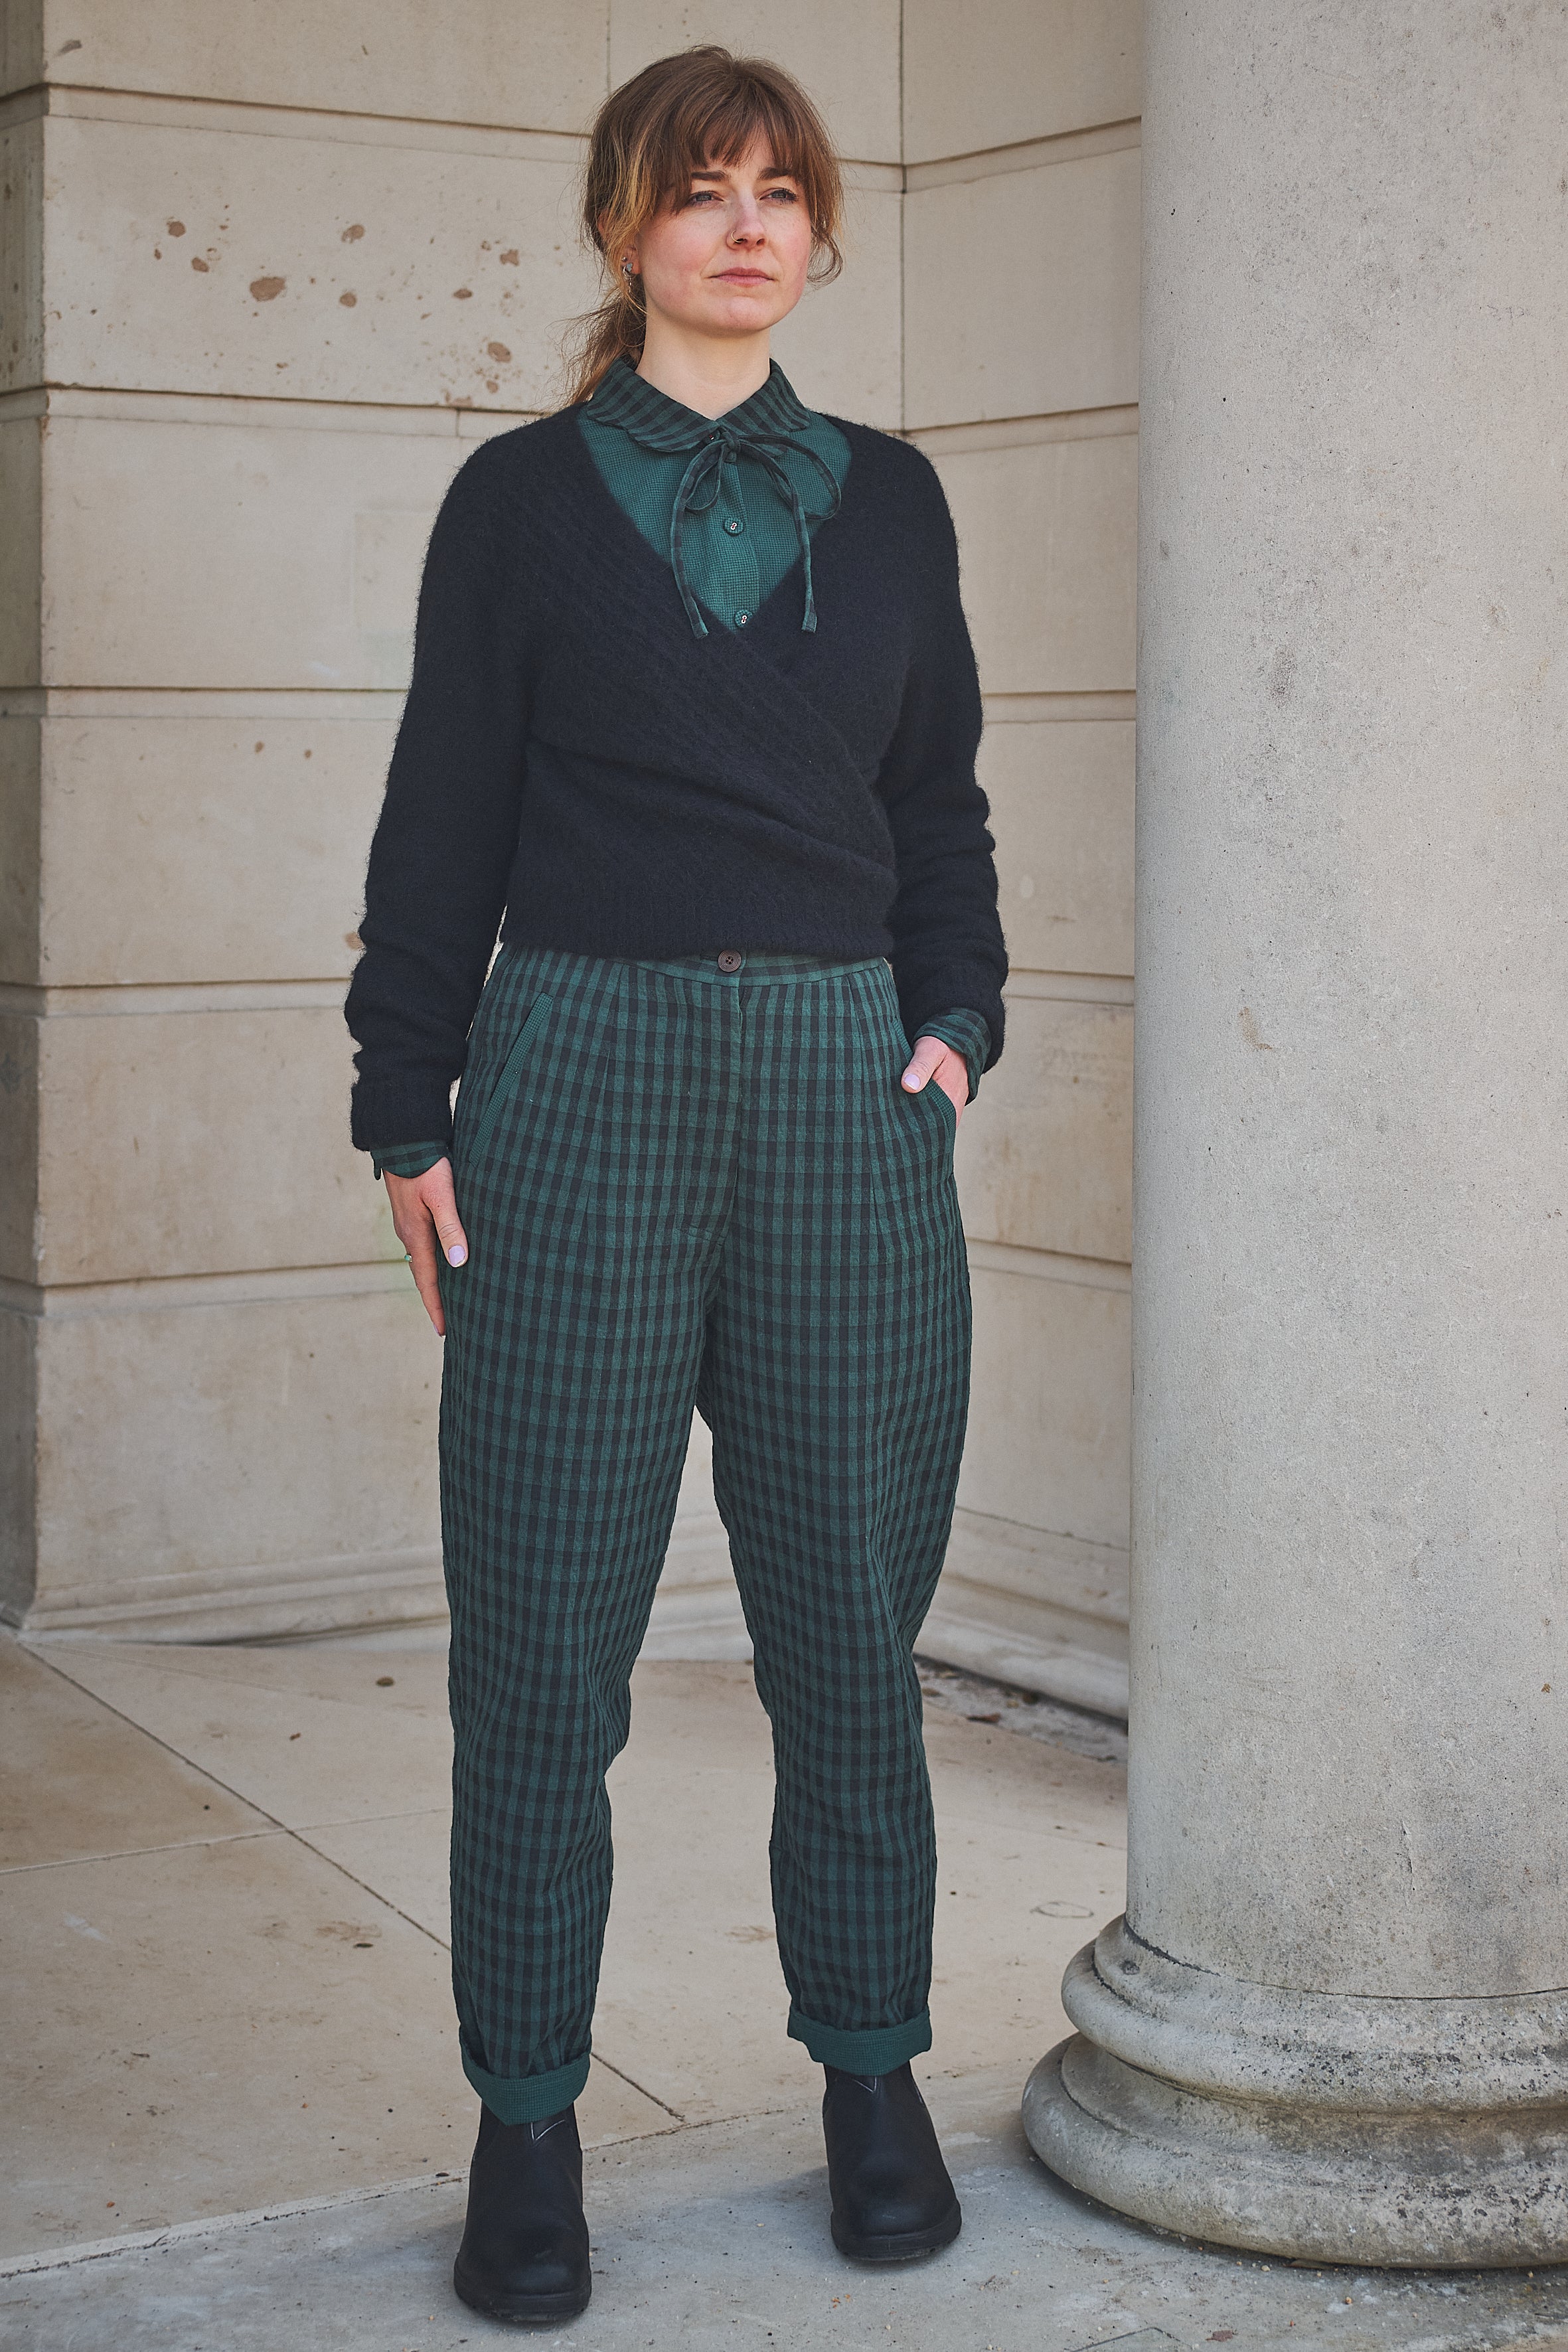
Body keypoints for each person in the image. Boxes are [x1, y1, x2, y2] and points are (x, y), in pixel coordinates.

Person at [345, 44, 1008, 2327]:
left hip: (844, 1078)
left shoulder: (895, 498)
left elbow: (943, 804)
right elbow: (442, 810)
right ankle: (526, 2119)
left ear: (817, 231)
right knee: (541, 1651)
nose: (746, 224)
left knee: (847, 1641)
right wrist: (404, 1109)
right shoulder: (518, 506)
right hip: (577, 1071)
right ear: (624, 226)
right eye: (700, 190)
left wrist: (951, 1029)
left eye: (779, 192)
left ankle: (870, 2075)